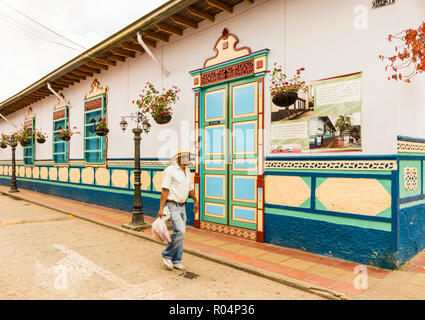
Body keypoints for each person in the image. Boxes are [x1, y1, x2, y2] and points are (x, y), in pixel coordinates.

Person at [158, 150, 199, 271]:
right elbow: (165, 190)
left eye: (189, 157)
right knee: (180, 231)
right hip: (172, 205)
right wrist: (161, 208)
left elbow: (190, 189)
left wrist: (196, 201)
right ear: (179, 158)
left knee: (181, 233)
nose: (188, 159)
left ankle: (176, 260)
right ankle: (166, 255)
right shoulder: (170, 170)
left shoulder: (187, 171)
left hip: (183, 206)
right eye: (185, 157)